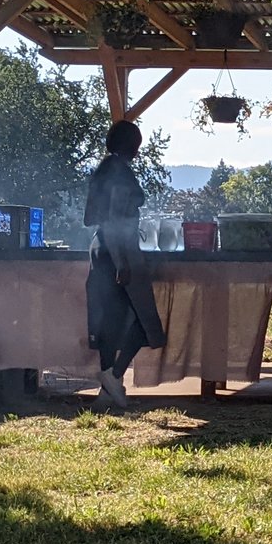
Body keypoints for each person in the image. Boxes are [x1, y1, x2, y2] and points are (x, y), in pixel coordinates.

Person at [84, 119, 164, 409]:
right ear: (127, 145)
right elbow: (114, 218)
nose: (138, 152)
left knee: (111, 324)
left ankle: (106, 394)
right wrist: (121, 261)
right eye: (136, 145)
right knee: (145, 321)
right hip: (116, 249)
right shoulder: (118, 172)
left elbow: (95, 217)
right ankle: (114, 375)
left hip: (100, 248)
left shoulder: (103, 170)